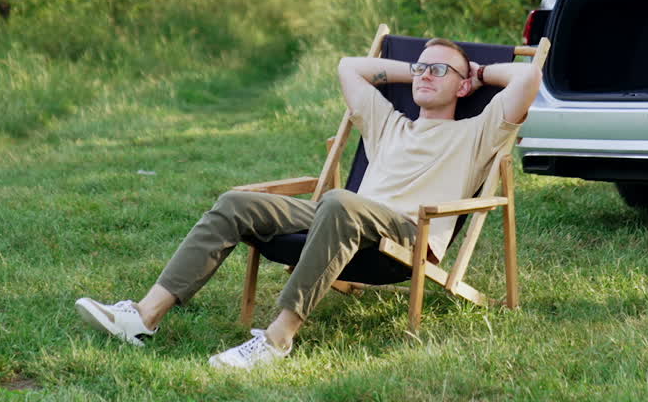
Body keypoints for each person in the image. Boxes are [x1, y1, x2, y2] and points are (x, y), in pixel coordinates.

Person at [75, 38, 541, 369]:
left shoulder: (477, 130)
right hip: (344, 219)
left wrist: (477, 73)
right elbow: (348, 66)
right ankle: (144, 316)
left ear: (464, 88)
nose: (423, 75)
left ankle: (276, 340)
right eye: (420, 67)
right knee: (239, 201)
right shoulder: (388, 122)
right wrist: (426, 68)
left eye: (439, 70)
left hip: (406, 233)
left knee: (340, 201)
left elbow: (528, 76)